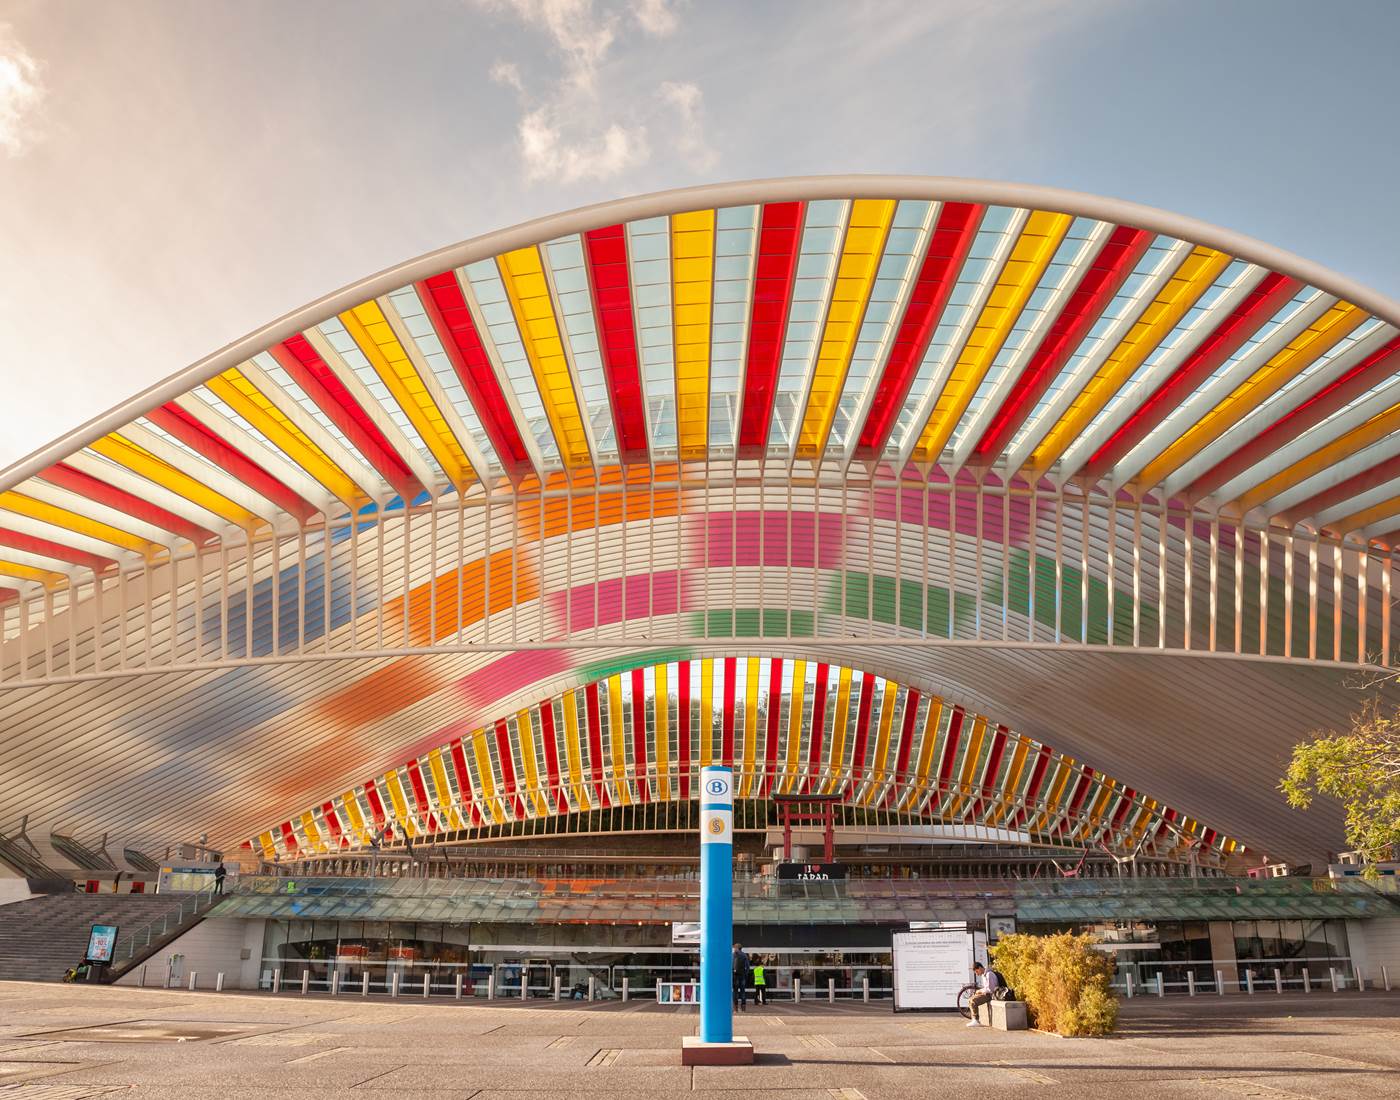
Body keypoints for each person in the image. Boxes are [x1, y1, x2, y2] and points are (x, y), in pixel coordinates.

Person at [967, 961, 999, 1027]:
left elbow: (991, 989)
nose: (977, 974)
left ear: (980, 968)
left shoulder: (989, 974)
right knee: (970, 999)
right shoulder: (984, 975)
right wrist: (981, 991)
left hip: (991, 995)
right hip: (987, 994)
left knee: (973, 1001)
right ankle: (974, 1019)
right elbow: (986, 988)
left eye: (976, 971)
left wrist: (980, 991)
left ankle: (976, 1020)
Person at [732, 943, 751, 1012]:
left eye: (734, 948)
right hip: (742, 976)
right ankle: (743, 1008)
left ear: (736, 948)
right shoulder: (744, 955)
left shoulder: (733, 955)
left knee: (735, 992)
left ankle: (735, 1008)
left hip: (735, 976)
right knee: (743, 992)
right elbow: (748, 967)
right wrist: (745, 975)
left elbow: (731, 966)